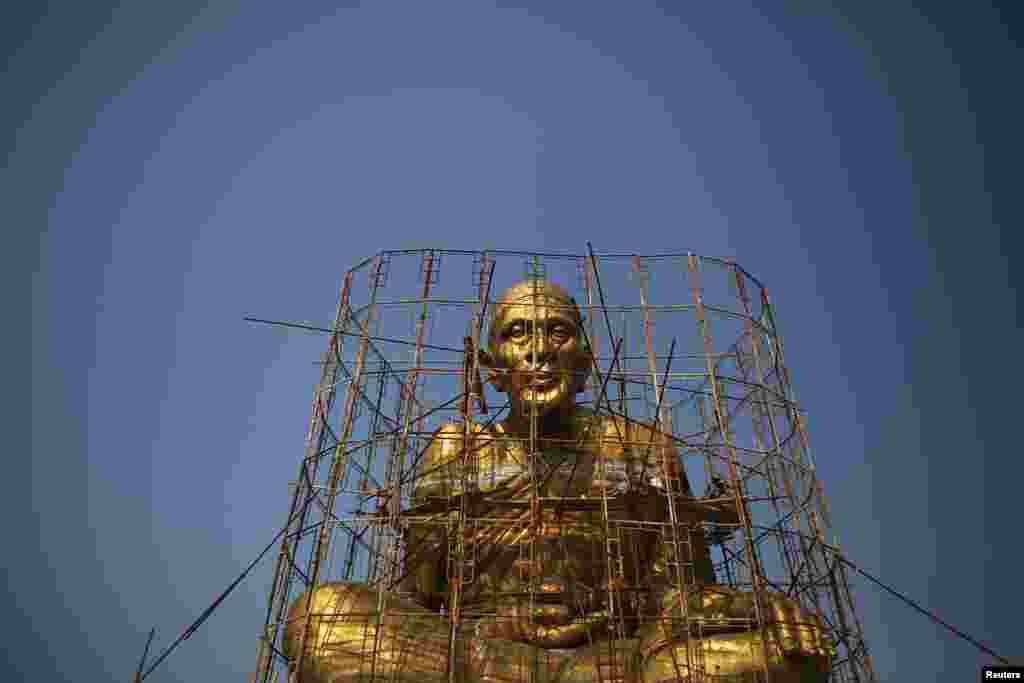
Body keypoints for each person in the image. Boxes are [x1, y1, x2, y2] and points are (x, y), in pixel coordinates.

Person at [285, 280, 833, 682]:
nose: (540, 349)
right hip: (477, 654)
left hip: (615, 660)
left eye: (558, 332)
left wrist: (754, 607)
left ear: (586, 361)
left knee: (789, 651)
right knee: (322, 618)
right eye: (518, 333)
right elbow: (419, 595)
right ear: (491, 366)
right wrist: (490, 633)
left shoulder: (642, 448)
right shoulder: (458, 448)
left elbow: (683, 596)